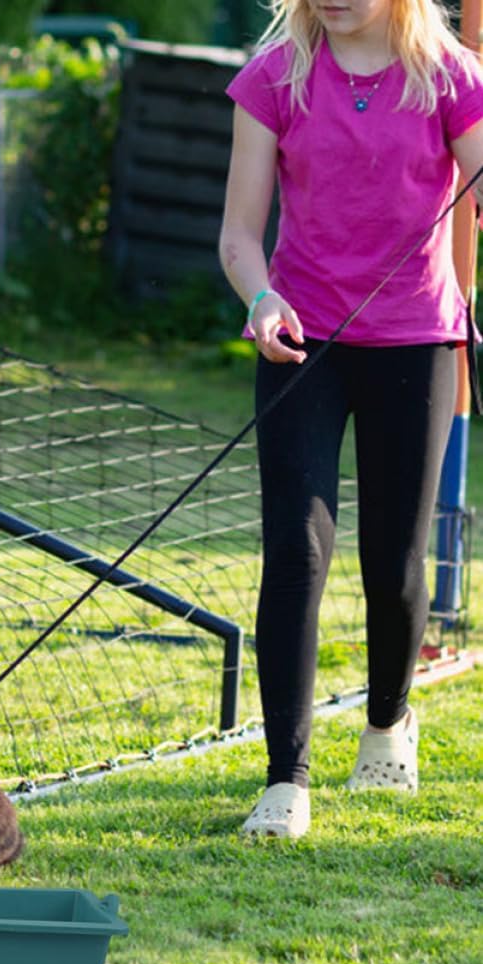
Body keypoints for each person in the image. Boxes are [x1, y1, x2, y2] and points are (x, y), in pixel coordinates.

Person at [219, 0, 483, 837]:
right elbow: (237, 235)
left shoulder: (449, 79)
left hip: (417, 340)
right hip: (301, 342)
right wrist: (259, 299)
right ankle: (284, 781)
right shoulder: (273, 79)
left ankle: (386, 723)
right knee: (295, 548)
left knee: (392, 559)